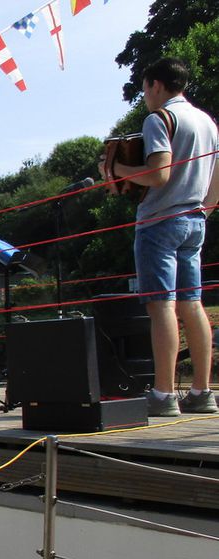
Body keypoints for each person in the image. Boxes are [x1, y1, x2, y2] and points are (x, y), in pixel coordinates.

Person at [100, 58, 219, 416]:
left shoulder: (158, 119)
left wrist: (115, 169)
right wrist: (199, 212)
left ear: (155, 85)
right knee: (192, 304)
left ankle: (164, 394)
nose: (145, 97)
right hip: (195, 219)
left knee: (162, 306)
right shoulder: (209, 123)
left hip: (159, 222)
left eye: (145, 88)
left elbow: (159, 173)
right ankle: (202, 392)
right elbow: (215, 187)